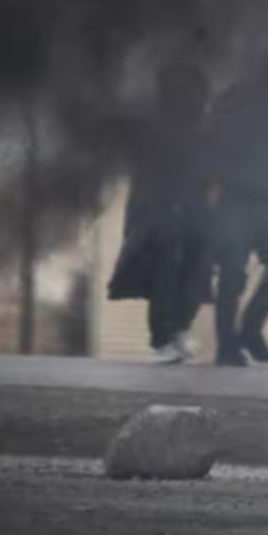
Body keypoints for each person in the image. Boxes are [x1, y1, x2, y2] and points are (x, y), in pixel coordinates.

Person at [108, 63, 213, 364]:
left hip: (193, 211)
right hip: (158, 211)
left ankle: (179, 329)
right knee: (164, 271)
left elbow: (206, 170)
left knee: (196, 270)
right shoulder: (151, 129)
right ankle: (163, 336)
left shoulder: (201, 130)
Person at [209, 55, 268, 367]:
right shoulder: (234, 103)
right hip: (235, 201)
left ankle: (250, 330)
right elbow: (212, 148)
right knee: (232, 274)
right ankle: (227, 347)